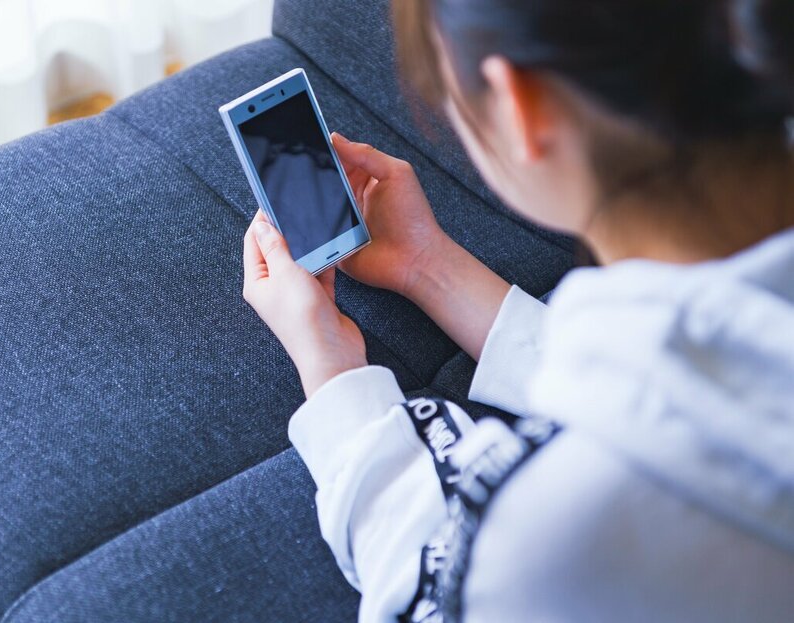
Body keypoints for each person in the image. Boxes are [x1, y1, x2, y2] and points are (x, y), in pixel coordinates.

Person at [243, 0, 794, 621]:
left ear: (518, 105)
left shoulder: (553, 540)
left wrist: (330, 370)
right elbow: (681, 382)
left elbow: (437, 584)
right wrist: (431, 268)